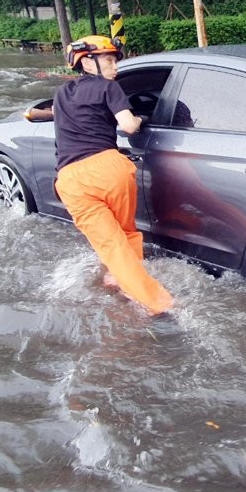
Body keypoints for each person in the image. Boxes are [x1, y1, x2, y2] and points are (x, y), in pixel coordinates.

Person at [53, 35, 174, 316]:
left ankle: (146, 295)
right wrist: (142, 118)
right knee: (126, 234)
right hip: (110, 169)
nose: (115, 66)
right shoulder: (109, 88)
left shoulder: (61, 94)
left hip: (71, 177)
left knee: (111, 244)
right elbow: (129, 126)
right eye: (109, 60)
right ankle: (139, 291)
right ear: (87, 62)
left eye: (115, 61)